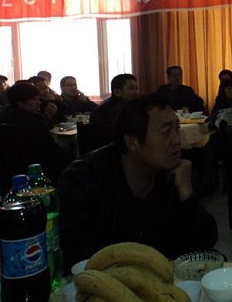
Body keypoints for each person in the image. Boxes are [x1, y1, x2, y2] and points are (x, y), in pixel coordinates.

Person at [58, 94, 218, 269]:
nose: (177, 141)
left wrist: (186, 195)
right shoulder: (83, 180)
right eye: (166, 132)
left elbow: (204, 244)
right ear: (132, 141)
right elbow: (76, 256)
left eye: (177, 129)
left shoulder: (178, 173)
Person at [0, 82, 72, 183]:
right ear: (20, 101)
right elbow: (50, 151)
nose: (39, 102)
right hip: (38, 171)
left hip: (10, 173)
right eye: (34, 99)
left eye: (38, 98)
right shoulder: (32, 123)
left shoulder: (4, 115)